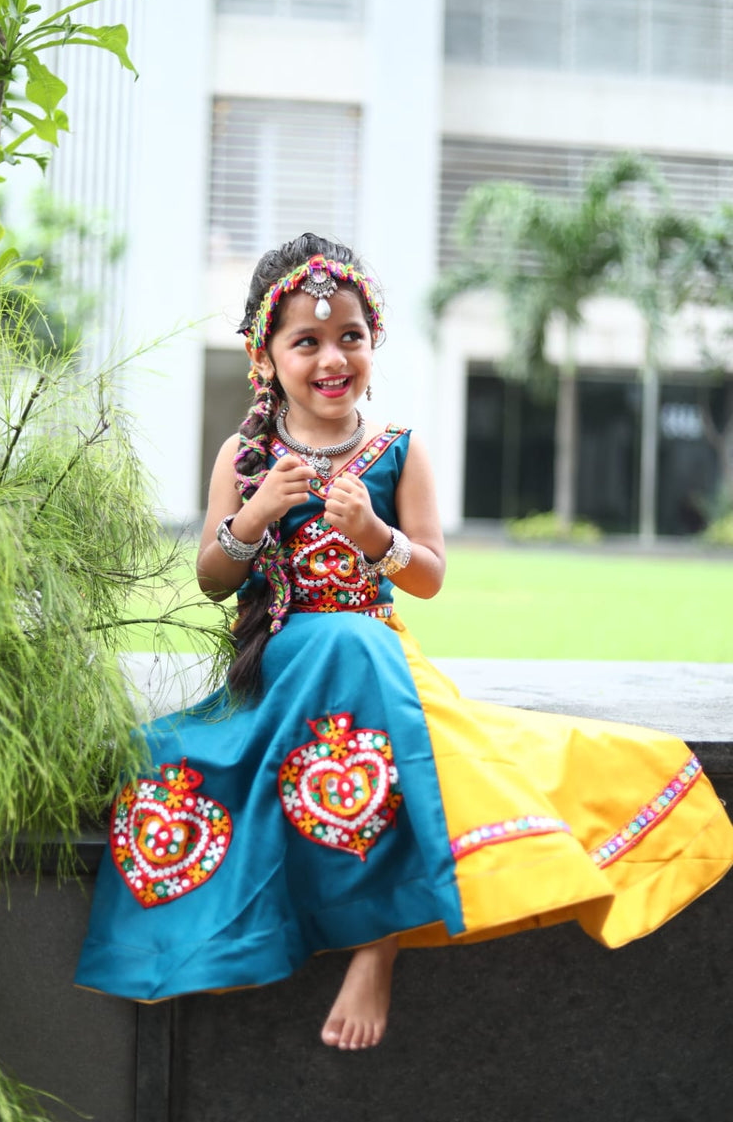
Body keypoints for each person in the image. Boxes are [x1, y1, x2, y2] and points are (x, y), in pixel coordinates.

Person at [76, 233, 733, 1051]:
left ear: (372, 342)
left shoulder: (397, 448)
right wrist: (254, 515)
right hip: (282, 663)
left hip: (376, 654)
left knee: (355, 645)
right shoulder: (246, 456)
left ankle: (376, 944)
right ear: (266, 356)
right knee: (174, 753)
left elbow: (427, 575)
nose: (331, 357)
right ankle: (220, 938)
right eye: (306, 340)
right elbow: (212, 577)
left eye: (349, 335)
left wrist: (376, 534)